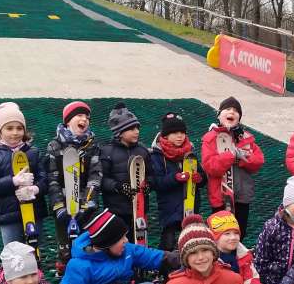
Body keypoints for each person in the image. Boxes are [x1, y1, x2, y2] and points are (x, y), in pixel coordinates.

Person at [45, 101, 102, 275]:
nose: (84, 119)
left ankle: (88, 278)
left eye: (87, 117)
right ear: (68, 120)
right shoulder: (55, 146)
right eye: (79, 115)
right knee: (65, 249)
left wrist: (88, 203)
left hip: (85, 206)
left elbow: (95, 175)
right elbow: (52, 178)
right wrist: (58, 206)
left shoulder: (92, 146)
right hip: (63, 206)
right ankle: (65, 279)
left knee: (86, 247)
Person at [0, 102, 47, 246]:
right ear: (0, 131)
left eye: (19, 128)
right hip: (8, 216)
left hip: (34, 212)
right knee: (13, 254)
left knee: (34, 251)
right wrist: (13, 181)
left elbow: (45, 179)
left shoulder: (33, 152)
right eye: (9, 128)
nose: (15, 133)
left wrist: (35, 189)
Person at [201, 97, 265, 237]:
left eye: (236, 111)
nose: (232, 112)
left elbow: (258, 161)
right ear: (219, 115)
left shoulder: (246, 138)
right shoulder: (210, 138)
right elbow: (210, 167)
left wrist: (243, 159)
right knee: (220, 234)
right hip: (220, 197)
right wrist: (230, 156)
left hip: (242, 195)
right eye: (228, 109)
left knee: (239, 233)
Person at [150, 111, 205, 251]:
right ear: (165, 135)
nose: (180, 136)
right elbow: (156, 182)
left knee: (190, 244)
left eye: (182, 132)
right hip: (169, 209)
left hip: (190, 207)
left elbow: (203, 178)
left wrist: (200, 178)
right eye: (175, 133)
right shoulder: (157, 156)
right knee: (168, 244)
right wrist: (175, 178)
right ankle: (164, 265)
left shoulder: (190, 153)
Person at [99, 102, 152, 242]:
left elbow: (152, 175)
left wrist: (148, 185)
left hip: (140, 209)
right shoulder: (107, 151)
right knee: (120, 244)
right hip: (116, 210)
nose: (137, 131)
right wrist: (118, 187)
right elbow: (102, 179)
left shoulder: (143, 151)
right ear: (120, 132)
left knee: (140, 242)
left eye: (137, 128)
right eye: (132, 129)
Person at [207, 210, 263, 284]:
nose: (233, 237)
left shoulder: (244, 255)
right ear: (215, 237)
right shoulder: (209, 259)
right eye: (227, 234)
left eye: (236, 233)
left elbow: (251, 278)